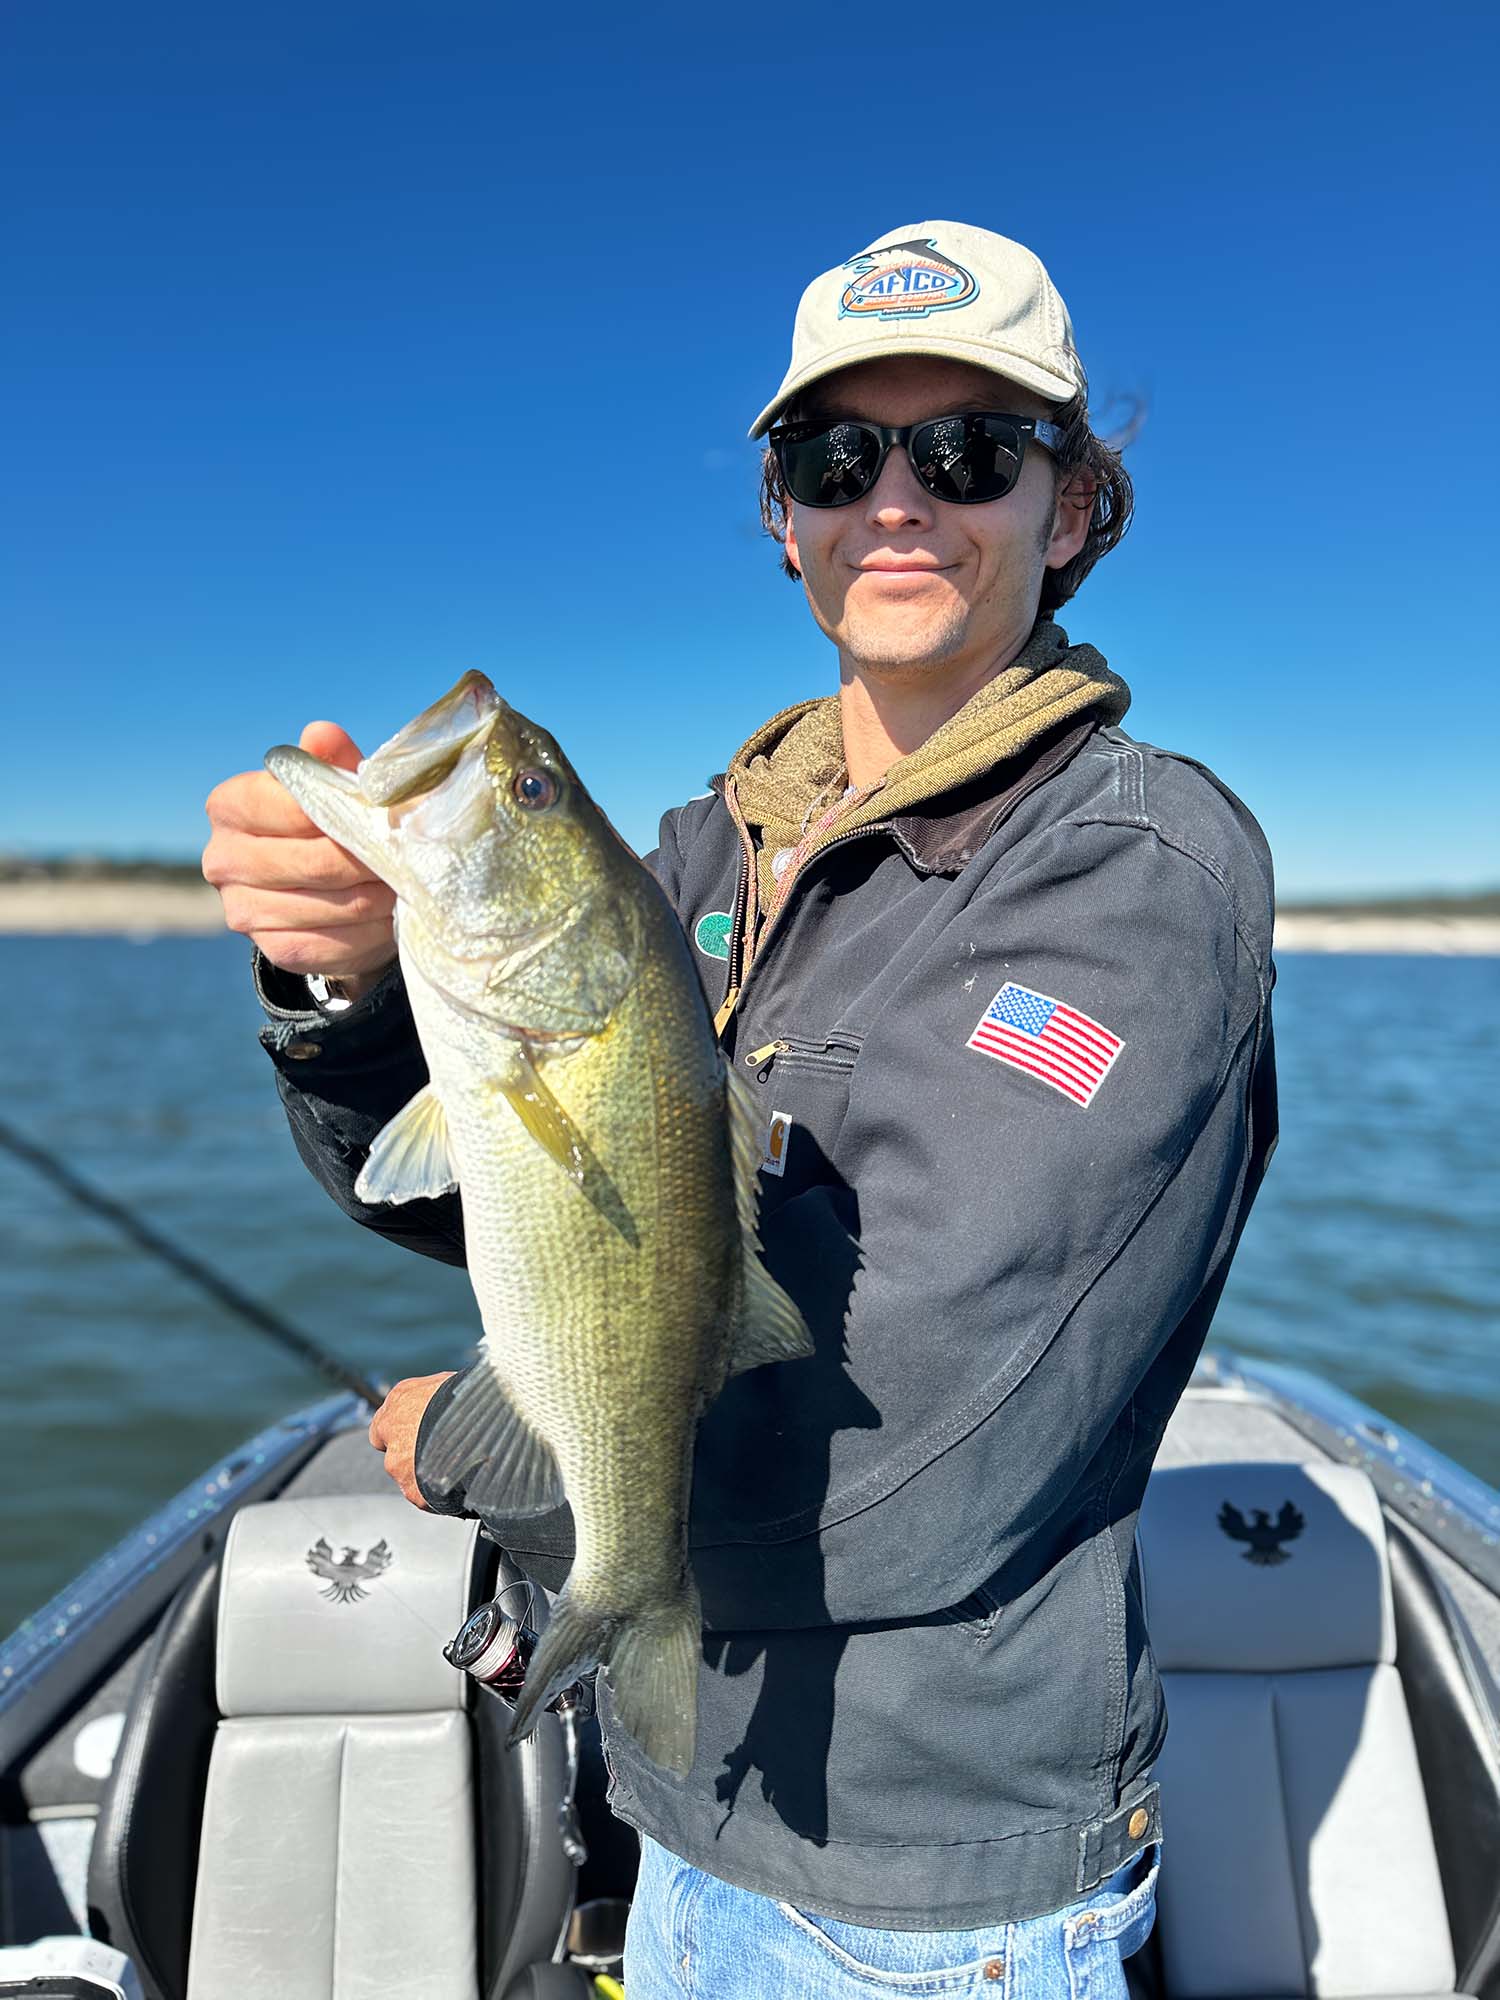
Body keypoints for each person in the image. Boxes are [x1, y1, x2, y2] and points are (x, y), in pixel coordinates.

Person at [203, 221, 1278, 1998]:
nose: (899, 501)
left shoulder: (1140, 876)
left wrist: (478, 1450)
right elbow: (467, 1200)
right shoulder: (696, 853)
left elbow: (934, 1438)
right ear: (783, 515)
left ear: (1072, 507)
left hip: (932, 1895)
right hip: (676, 1797)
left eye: (971, 451)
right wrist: (348, 988)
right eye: (836, 456)